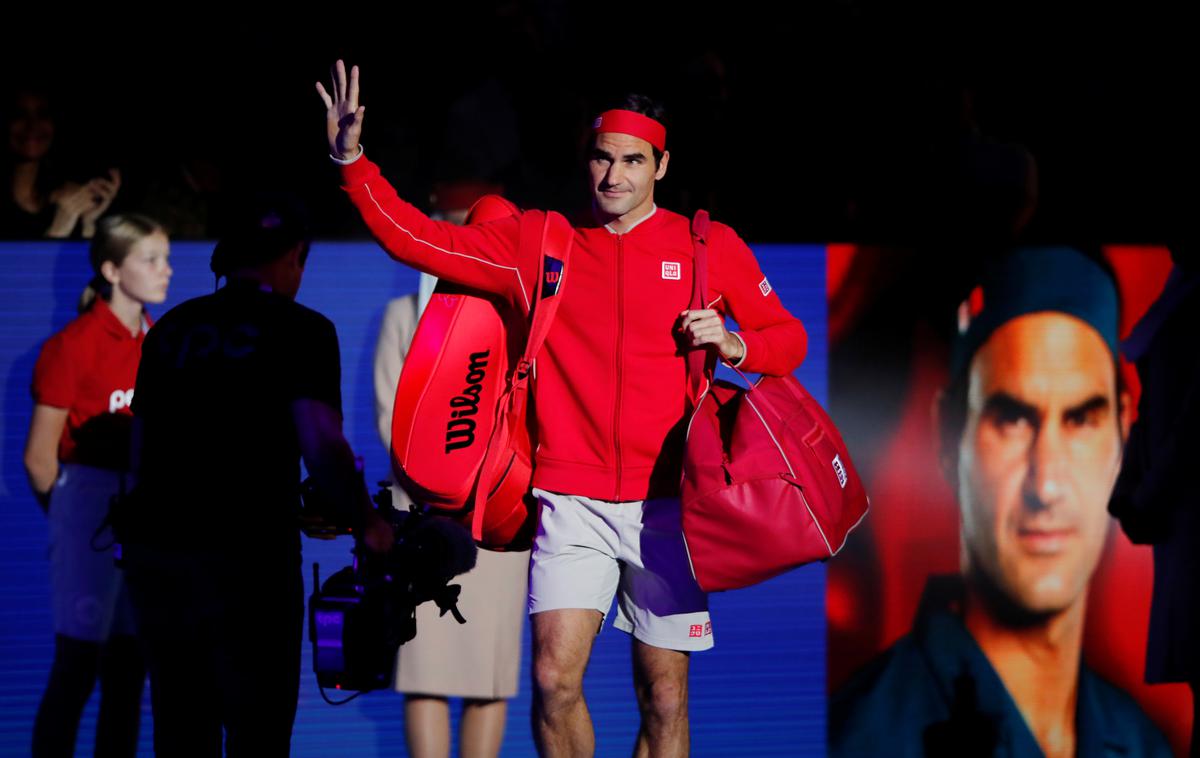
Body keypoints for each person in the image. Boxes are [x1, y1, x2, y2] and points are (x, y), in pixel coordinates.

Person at [317, 60, 808, 757]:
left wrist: (734, 342)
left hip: (668, 503)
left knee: (664, 697)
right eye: (603, 159)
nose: (614, 176)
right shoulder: (541, 242)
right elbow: (417, 239)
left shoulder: (707, 247)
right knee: (552, 680)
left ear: (662, 165)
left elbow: (788, 339)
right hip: (569, 499)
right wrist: (352, 161)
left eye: (633, 161)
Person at [830, 247, 1171, 757]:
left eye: (1081, 419)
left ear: (1123, 428)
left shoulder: (1145, 744)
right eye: (1012, 419)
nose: (1047, 484)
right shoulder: (861, 739)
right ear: (949, 435)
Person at [120, 195, 393, 757]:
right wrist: (367, 523)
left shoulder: (171, 329)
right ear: (297, 255)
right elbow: (319, 441)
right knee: (258, 734)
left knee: (181, 731)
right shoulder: (304, 331)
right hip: (248, 566)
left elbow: (140, 454)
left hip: (160, 562)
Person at [374, 210, 528, 758]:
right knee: (425, 667)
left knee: (490, 673)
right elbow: (391, 417)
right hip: (427, 516)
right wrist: (442, 489)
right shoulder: (404, 314)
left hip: (502, 514)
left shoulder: (528, 318)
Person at [25, 213, 172, 757]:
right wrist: (72, 518)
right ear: (112, 269)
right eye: (150, 259)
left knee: (130, 672)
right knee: (77, 666)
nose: (166, 271)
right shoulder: (74, 345)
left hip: (143, 516)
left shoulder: (158, 340)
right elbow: (40, 458)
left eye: (166, 257)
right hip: (90, 507)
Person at [1110, 245, 1200, 757]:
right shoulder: (1181, 290)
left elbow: (1194, 423)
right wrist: (1130, 488)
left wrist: (1143, 495)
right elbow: (1157, 409)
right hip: (1181, 526)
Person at [2, 88, 121, 238]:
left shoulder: (64, 197)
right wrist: (58, 232)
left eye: (42, 114)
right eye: (19, 115)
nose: (32, 125)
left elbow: (80, 261)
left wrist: (88, 223)